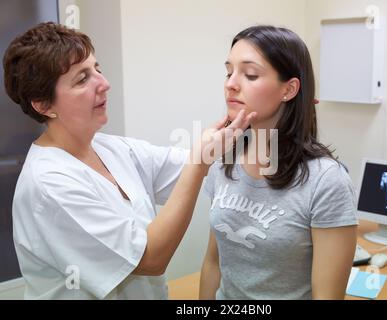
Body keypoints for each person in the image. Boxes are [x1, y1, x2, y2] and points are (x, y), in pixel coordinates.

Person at [3, 22, 256, 299]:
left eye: (97, 69)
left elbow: (200, 166)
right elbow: (150, 259)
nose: (104, 83)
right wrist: (199, 161)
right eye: (82, 79)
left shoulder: (112, 148)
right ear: (44, 105)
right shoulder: (48, 186)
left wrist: (267, 127)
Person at [199, 25, 358, 300]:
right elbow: (214, 262)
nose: (230, 83)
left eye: (249, 74)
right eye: (229, 71)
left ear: (289, 89)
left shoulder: (326, 180)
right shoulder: (223, 159)